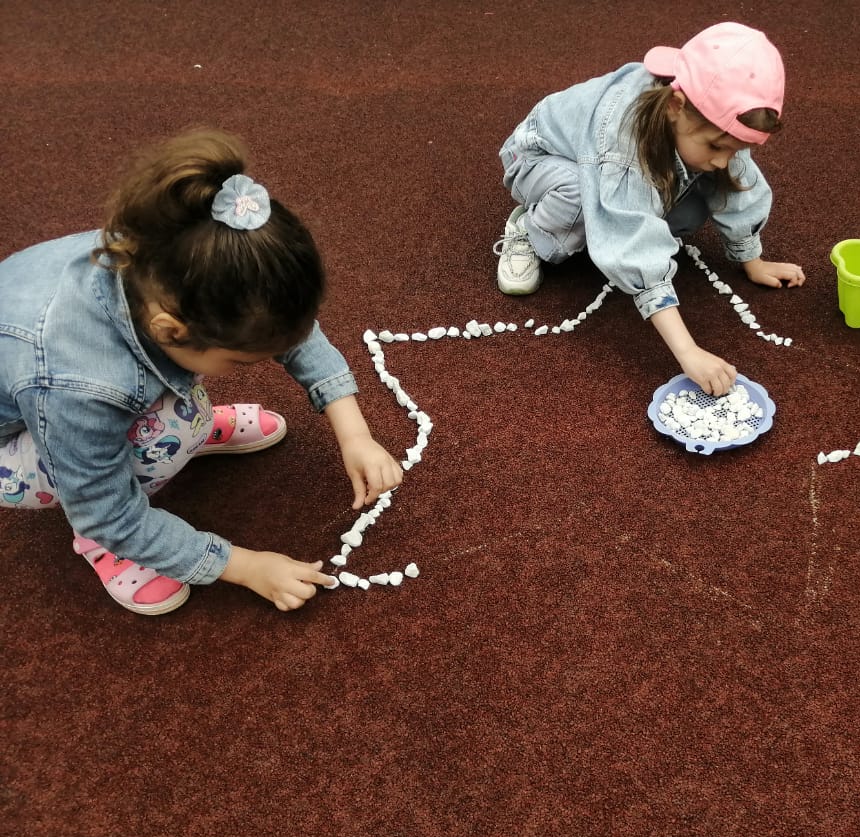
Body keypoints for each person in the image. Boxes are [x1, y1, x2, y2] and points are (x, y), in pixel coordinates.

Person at [0, 129, 403, 614]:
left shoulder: (174, 258)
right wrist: (246, 566)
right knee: (154, 440)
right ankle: (100, 543)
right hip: (22, 433)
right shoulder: (81, 385)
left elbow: (284, 327)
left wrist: (354, 432)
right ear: (171, 330)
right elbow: (105, 508)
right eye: (241, 360)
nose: (253, 364)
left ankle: (184, 434)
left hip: (49, 385)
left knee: (174, 415)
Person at [493, 21, 805, 396]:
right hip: (540, 159)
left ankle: (603, 221)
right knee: (580, 198)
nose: (724, 159)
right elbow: (636, 244)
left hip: (605, 164)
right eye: (716, 147)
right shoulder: (625, 140)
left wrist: (751, 259)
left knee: (685, 211)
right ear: (676, 106)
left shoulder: (704, 118)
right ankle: (529, 229)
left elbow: (736, 180)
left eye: (734, 149)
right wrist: (688, 352)